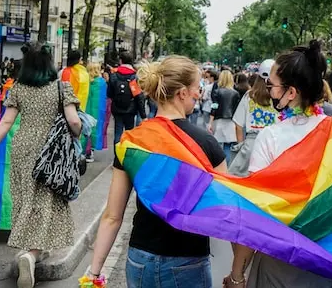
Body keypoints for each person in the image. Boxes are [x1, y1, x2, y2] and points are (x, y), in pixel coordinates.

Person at [227, 41, 332, 288]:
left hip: (282, 265)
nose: (268, 91)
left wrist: (238, 274)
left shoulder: (270, 138)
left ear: (291, 92)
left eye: (271, 86)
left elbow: (258, 216)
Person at [87, 56, 226, 287]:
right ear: (182, 93)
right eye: (196, 88)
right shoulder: (207, 144)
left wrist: (94, 272)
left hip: (141, 257)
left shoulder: (132, 142)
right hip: (188, 258)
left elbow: (112, 216)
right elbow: (226, 211)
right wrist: (238, 273)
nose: (199, 94)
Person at [0, 43, 80, 288]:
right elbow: (73, 121)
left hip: (23, 146)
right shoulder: (61, 88)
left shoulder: (18, 89)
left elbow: (6, 121)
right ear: (49, 64)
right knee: (46, 200)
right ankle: (32, 253)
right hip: (51, 151)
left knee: (27, 196)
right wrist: (76, 135)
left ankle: (33, 248)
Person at [228, 59, 278, 177]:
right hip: (274, 144)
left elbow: (238, 124)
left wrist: (241, 144)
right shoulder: (280, 96)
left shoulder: (249, 96)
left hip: (251, 144)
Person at [107, 52, 146, 145]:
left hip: (117, 108)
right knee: (129, 133)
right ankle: (127, 156)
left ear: (121, 60)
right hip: (130, 109)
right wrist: (143, 115)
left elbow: (109, 93)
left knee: (118, 133)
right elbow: (138, 96)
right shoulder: (134, 76)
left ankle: (117, 157)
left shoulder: (114, 75)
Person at [208, 70, 240, 163]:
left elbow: (214, 106)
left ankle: (218, 165)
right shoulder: (236, 93)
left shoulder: (217, 92)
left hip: (218, 120)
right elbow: (236, 109)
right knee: (227, 146)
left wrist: (210, 122)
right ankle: (226, 167)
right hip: (231, 121)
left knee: (217, 145)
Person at [84, 62, 108, 163]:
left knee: (85, 128)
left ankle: (85, 151)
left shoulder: (86, 81)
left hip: (86, 108)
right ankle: (91, 151)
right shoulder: (102, 82)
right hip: (98, 110)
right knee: (95, 129)